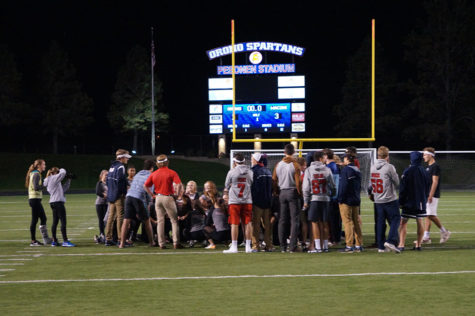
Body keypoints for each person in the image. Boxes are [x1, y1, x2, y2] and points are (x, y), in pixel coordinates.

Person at [144, 154, 183, 249]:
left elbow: (145, 186)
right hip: (168, 197)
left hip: (158, 198)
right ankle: (176, 243)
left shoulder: (154, 173)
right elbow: (179, 184)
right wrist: (177, 195)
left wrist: (152, 195)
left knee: (160, 221)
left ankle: (161, 244)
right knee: (174, 221)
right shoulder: (171, 172)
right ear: (167, 162)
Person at [368, 146, 401, 253]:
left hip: (377, 199)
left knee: (380, 223)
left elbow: (371, 184)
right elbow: (397, 182)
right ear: (387, 156)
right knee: (396, 219)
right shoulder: (389, 167)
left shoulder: (372, 167)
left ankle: (381, 247)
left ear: (378, 155)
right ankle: (390, 241)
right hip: (389, 199)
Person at [119, 160, 156, 248]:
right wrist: (147, 204)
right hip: (139, 198)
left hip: (129, 197)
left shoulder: (138, 173)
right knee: (147, 221)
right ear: (152, 168)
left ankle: (122, 244)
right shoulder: (151, 176)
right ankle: (152, 242)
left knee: (126, 221)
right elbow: (148, 191)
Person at [303, 151, 335, 253]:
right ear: (320, 158)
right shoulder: (327, 169)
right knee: (325, 223)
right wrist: (332, 194)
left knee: (314, 223)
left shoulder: (309, 170)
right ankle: (325, 246)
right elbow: (333, 185)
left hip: (314, 199)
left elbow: (306, 188)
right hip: (325, 198)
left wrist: (306, 200)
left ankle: (318, 247)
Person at [398, 151, 431, 251]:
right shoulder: (425, 171)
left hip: (409, 201)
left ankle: (401, 245)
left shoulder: (407, 171)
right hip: (421, 201)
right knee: (419, 221)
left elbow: (403, 188)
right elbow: (428, 187)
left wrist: (401, 201)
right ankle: (418, 245)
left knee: (403, 222)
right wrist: (424, 198)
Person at [272, 144, 301, 252]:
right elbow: (298, 182)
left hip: (282, 192)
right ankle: (292, 246)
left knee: (282, 220)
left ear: (284, 152)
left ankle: (283, 247)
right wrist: (300, 193)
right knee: (295, 220)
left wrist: (276, 191)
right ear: (293, 152)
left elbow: (274, 179)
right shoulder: (295, 165)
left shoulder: (278, 164)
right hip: (292, 192)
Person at [223, 153, 254, 253]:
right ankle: (248, 246)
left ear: (235, 162)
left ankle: (234, 246)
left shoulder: (232, 172)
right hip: (247, 199)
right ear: (244, 161)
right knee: (248, 222)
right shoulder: (250, 172)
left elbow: (227, 185)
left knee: (234, 223)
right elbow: (251, 183)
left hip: (235, 200)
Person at [422, 147, 451, 244]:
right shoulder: (428, 167)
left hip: (432, 194)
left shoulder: (435, 166)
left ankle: (444, 231)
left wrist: (430, 195)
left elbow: (435, 182)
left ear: (430, 155)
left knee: (431, 215)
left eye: (425, 155)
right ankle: (426, 237)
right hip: (427, 193)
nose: (423, 157)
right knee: (427, 215)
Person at [338, 153, 363, 253]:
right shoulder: (357, 170)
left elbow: (343, 186)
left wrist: (340, 198)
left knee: (347, 222)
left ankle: (349, 245)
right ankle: (359, 244)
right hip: (356, 199)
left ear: (347, 159)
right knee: (356, 222)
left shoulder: (346, 170)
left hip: (346, 200)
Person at [105, 149, 130, 246]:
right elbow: (120, 182)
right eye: (126, 157)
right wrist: (123, 193)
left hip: (111, 195)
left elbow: (108, 181)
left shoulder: (112, 166)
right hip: (118, 195)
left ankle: (108, 239)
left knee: (111, 217)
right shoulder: (121, 167)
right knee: (120, 217)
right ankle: (121, 239)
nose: (127, 160)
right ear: (122, 157)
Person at [43, 167, 74, 247]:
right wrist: (61, 169)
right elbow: (63, 172)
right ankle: (65, 241)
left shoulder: (51, 180)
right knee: (63, 222)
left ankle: (54, 241)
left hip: (53, 202)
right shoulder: (53, 178)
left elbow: (63, 189)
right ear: (55, 173)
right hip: (58, 202)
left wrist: (69, 180)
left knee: (55, 222)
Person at [25, 159, 51, 246]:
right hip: (34, 199)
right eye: (44, 164)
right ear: (39, 165)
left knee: (37, 219)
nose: (45, 166)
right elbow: (36, 187)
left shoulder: (35, 173)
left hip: (34, 199)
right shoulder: (36, 174)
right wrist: (44, 185)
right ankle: (38, 240)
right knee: (41, 218)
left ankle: (38, 240)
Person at [250, 153, 273, 252]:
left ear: (255, 160)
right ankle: (268, 245)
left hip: (257, 201)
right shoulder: (268, 171)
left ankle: (256, 245)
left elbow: (254, 188)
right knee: (267, 225)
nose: (251, 160)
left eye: (252, 158)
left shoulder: (253, 171)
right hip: (267, 201)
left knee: (255, 224)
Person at [323, 148, 342, 246]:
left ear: (326, 156)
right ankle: (336, 238)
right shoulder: (334, 166)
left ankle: (334, 239)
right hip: (335, 196)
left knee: (332, 219)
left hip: (331, 197)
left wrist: (331, 194)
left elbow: (333, 183)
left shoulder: (330, 167)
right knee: (335, 219)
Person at [94, 170, 108, 243]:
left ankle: (107, 234)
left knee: (106, 220)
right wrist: (104, 195)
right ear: (101, 176)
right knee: (101, 219)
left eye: (107, 175)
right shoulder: (100, 183)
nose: (107, 176)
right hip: (99, 204)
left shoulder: (109, 183)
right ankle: (102, 234)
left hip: (107, 204)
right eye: (105, 175)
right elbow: (97, 192)